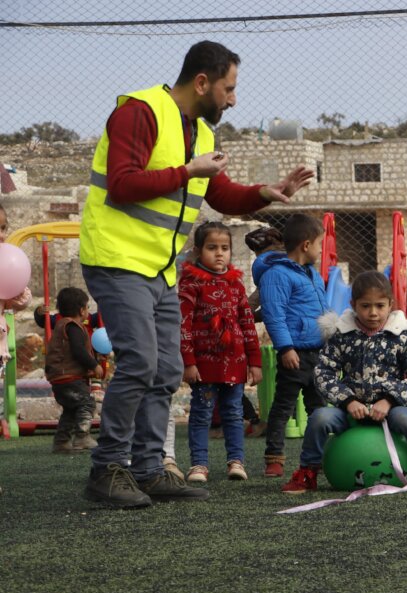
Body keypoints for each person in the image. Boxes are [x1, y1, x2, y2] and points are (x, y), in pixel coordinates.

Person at [78, 41, 314, 508]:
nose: (233, 99)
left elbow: (220, 193)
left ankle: (148, 470)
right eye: (229, 88)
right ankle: (107, 469)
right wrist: (187, 170)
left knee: (166, 368)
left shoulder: (201, 134)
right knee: (141, 362)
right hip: (117, 259)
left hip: (161, 269)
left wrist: (268, 191)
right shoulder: (139, 112)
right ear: (202, 82)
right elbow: (123, 185)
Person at [281, 271, 407, 493]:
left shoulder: (401, 337)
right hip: (350, 412)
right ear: (353, 304)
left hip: (392, 410)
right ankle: (307, 472)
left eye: (380, 306)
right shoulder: (342, 336)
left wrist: (389, 401)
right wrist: (348, 401)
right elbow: (323, 372)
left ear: (390, 305)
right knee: (320, 418)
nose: (373, 313)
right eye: (365, 306)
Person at [178, 221, 262, 483]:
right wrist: (188, 362)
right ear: (198, 250)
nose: (219, 253)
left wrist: (255, 362)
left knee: (234, 413)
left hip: (234, 363)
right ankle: (199, 465)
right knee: (202, 413)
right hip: (204, 365)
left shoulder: (235, 285)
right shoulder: (190, 284)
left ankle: (236, 461)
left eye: (225, 248)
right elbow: (183, 325)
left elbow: (247, 323)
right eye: (212, 247)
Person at [257, 214, 327, 478]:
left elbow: (321, 309)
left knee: (318, 410)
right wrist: (286, 348)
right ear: (306, 245)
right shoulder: (277, 275)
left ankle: (316, 458)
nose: (321, 250)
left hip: (317, 354)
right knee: (283, 407)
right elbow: (274, 314)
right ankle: (274, 457)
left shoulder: (313, 274)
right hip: (294, 354)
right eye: (320, 244)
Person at [45, 287, 103, 453]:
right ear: (81, 310)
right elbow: (79, 351)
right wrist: (94, 365)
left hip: (58, 378)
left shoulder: (61, 325)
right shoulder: (73, 327)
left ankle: (61, 442)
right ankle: (82, 436)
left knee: (71, 409)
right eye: (87, 307)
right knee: (87, 402)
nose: (88, 311)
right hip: (69, 377)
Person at [0, 204, 32, 369]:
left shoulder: (5, 262)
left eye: (3, 228)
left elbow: (19, 303)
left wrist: (20, 295)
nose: (1, 235)